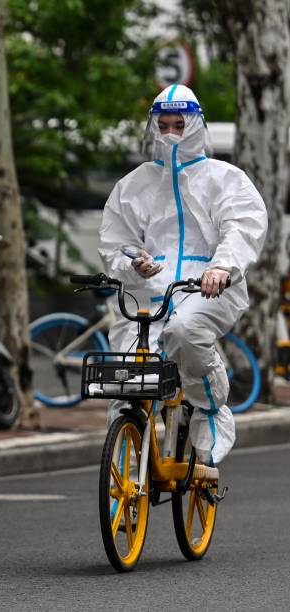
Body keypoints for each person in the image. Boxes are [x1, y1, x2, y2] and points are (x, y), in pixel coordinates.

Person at [98, 85, 267, 466]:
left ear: (195, 124)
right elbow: (116, 241)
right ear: (153, 126)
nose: (172, 133)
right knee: (126, 376)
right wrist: (133, 261)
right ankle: (123, 470)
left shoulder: (225, 179)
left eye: (179, 124)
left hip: (206, 289)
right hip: (147, 291)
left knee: (184, 331)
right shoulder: (133, 184)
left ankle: (209, 407)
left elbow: (241, 227)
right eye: (164, 125)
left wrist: (222, 266)